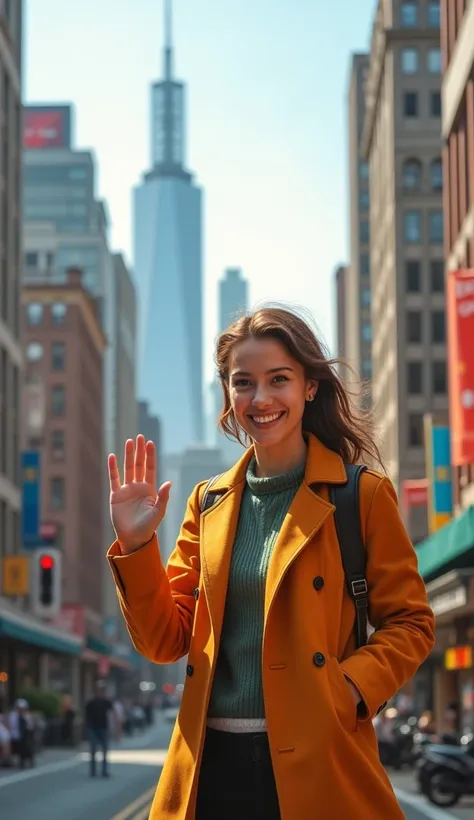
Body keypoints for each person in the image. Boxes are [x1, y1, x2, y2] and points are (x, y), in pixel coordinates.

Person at [106, 306, 435, 819]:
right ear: (228, 393)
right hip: (211, 767)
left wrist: (346, 690)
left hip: (320, 759)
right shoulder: (207, 503)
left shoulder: (362, 496)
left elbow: (411, 622)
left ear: (309, 386)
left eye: (278, 379)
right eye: (244, 383)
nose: (260, 399)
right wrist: (136, 546)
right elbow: (164, 640)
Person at [84, 681, 113, 778]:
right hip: (93, 728)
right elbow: (86, 716)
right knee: (93, 751)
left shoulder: (106, 702)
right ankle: (93, 772)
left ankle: (104, 771)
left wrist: (114, 729)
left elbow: (112, 714)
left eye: (103, 690)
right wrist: (87, 728)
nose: (101, 691)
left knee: (104, 751)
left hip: (103, 728)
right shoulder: (91, 702)